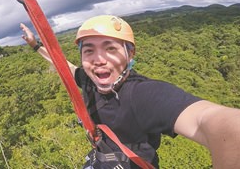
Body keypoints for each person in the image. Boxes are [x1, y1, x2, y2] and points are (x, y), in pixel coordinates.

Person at [20, 15, 240, 168]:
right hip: (103, 158)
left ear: (129, 54)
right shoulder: (88, 79)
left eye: (110, 48)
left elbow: (213, 121)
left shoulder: (142, 94)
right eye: (89, 51)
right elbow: (65, 68)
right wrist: (35, 45)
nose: (98, 60)